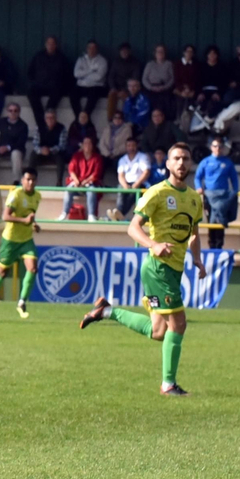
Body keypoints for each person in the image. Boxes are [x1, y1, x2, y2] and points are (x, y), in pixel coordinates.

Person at [79, 141, 205, 396]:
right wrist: (153, 244)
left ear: (190, 163)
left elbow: (194, 232)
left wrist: (198, 259)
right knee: (178, 323)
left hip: (175, 268)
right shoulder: (157, 192)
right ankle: (168, 384)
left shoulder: (194, 199)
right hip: (158, 267)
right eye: (176, 158)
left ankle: (107, 311)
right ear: (168, 164)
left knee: (159, 331)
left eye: (186, 158)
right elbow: (132, 226)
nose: (181, 163)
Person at [0, 167, 41, 319]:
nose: (30, 182)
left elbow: (30, 215)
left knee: (33, 268)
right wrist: (24, 221)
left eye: (33, 180)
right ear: (22, 180)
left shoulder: (37, 196)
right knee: (2, 272)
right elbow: (5, 216)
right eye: (27, 179)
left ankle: (22, 303)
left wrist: (33, 224)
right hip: (10, 240)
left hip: (26, 240)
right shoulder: (16, 194)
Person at [194, 136, 239, 249]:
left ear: (223, 148)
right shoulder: (206, 161)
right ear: (211, 147)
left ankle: (219, 245)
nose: (217, 148)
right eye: (215, 146)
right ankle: (212, 245)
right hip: (209, 196)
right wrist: (199, 187)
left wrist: (235, 192)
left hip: (223, 196)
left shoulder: (227, 162)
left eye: (220, 146)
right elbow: (197, 177)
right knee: (211, 221)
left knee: (221, 220)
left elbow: (234, 178)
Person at [26, 35, 73, 129]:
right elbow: (30, 72)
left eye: (52, 44)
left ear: (56, 45)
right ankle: (41, 124)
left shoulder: (62, 58)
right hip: (40, 85)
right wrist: (34, 81)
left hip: (55, 87)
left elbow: (67, 75)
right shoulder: (39, 56)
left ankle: (48, 120)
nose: (50, 46)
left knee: (52, 102)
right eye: (49, 44)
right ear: (45, 45)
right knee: (31, 92)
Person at [0, 102, 30, 183]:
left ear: (19, 112)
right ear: (7, 112)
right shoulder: (2, 121)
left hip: (16, 150)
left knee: (16, 153)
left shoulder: (23, 125)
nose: (13, 113)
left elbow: (21, 143)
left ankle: (16, 181)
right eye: (10, 110)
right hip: (1, 152)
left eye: (15, 111)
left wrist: (7, 148)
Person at [63, 134, 106, 220]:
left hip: (90, 183)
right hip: (77, 183)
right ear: (82, 145)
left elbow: (96, 174)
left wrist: (84, 182)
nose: (87, 145)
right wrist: (76, 181)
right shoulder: (76, 156)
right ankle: (64, 213)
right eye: (85, 143)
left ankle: (91, 215)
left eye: (89, 143)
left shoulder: (97, 158)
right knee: (69, 189)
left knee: (92, 190)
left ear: (93, 145)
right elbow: (71, 170)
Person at [113, 137, 152, 221]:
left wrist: (136, 184)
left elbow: (146, 172)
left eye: (133, 145)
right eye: (129, 146)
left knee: (133, 194)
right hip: (126, 183)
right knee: (120, 189)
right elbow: (120, 175)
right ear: (126, 147)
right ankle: (118, 212)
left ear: (136, 146)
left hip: (139, 183)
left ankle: (119, 214)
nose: (131, 148)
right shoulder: (122, 159)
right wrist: (125, 185)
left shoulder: (143, 157)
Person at [73, 41, 108, 121]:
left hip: (96, 86)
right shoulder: (81, 59)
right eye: (89, 48)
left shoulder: (102, 61)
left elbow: (99, 77)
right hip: (81, 86)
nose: (91, 50)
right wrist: (91, 71)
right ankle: (78, 116)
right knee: (73, 93)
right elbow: (76, 74)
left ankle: (86, 116)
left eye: (94, 48)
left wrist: (83, 76)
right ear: (87, 49)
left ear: (97, 49)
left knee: (94, 94)